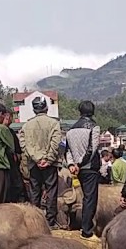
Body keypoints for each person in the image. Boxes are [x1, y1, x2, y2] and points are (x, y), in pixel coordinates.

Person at [19, 96, 63, 228]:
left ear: (33, 109)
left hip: (33, 164)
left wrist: (35, 159)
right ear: (46, 108)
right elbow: (56, 144)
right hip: (50, 164)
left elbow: (24, 145)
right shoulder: (54, 123)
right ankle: (50, 220)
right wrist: (48, 160)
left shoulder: (26, 125)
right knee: (51, 191)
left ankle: (34, 219)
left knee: (34, 191)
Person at [65, 100, 104, 238]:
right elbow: (91, 150)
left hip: (77, 169)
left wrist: (71, 165)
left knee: (85, 198)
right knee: (90, 199)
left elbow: (68, 150)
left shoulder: (71, 130)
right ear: (92, 111)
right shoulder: (94, 127)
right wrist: (80, 164)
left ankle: (85, 227)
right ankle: (87, 230)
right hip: (89, 167)